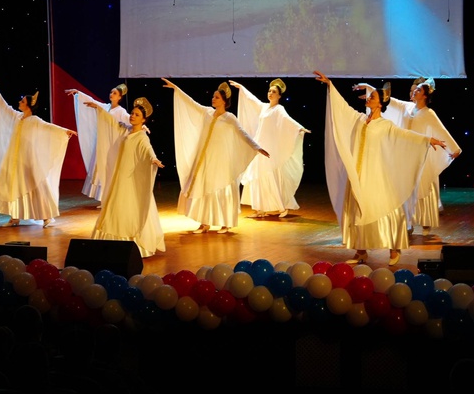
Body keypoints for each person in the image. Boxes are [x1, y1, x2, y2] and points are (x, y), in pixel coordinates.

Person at [313, 70, 446, 265]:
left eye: (372, 97)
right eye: (369, 96)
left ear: (380, 103)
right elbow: (342, 108)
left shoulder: (385, 125)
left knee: (384, 209)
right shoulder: (359, 120)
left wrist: (428, 140)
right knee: (357, 210)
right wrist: (330, 85)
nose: (368, 98)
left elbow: (405, 136)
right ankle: (361, 251)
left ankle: (394, 248)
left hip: (376, 175)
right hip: (359, 174)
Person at [162, 78, 270, 234]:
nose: (213, 99)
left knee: (222, 190)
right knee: (204, 188)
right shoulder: (207, 112)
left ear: (224, 101)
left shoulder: (229, 118)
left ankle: (226, 223)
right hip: (206, 159)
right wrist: (176, 89)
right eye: (213, 96)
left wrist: (257, 147)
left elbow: (243, 134)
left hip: (222, 161)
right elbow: (191, 103)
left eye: (216, 97)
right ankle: (204, 223)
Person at [369, 77, 462, 237]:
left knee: (423, 188)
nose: (414, 92)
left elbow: (442, 131)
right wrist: (369, 88)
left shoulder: (428, 113)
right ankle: (407, 222)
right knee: (405, 188)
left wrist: (454, 149)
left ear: (424, 96)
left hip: (421, 155)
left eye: (418, 90)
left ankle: (425, 221)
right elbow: (392, 101)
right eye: (415, 89)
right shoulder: (408, 107)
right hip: (405, 154)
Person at [0, 80, 76, 227]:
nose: (19, 103)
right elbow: (5, 107)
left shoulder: (34, 120)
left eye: (22, 101)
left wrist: (65, 131)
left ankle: (47, 216)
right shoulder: (18, 117)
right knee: (14, 185)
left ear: (28, 105)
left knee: (37, 185)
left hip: (29, 158)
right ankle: (15, 217)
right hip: (15, 158)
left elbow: (49, 127)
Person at [84, 96, 165, 257]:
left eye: (136, 115)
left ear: (144, 120)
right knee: (114, 206)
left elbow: (147, 149)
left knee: (129, 206)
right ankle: (110, 242)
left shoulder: (141, 136)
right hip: (119, 177)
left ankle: (132, 242)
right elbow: (112, 122)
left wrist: (153, 158)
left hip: (129, 179)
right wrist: (98, 108)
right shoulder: (126, 130)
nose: (132, 116)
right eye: (132, 113)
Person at [229, 78, 310, 218]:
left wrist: (300, 128)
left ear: (279, 95)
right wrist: (242, 88)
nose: (270, 93)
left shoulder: (279, 109)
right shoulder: (265, 107)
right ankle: (260, 209)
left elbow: (287, 120)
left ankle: (282, 207)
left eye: (274, 92)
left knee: (271, 177)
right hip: (260, 145)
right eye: (269, 91)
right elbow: (252, 100)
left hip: (270, 147)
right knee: (258, 176)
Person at [65, 84, 131, 203]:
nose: (111, 94)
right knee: (99, 168)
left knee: (109, 169)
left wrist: (142, 125)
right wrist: (78, 93)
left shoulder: (121, 111)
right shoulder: (106, 107)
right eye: (111, 92)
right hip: (101, 142)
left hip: (111, 144)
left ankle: (111, 198)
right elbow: (92, 101)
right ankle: (103, 198)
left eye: (115, 93)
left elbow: (129, 120)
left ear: (120, 97)